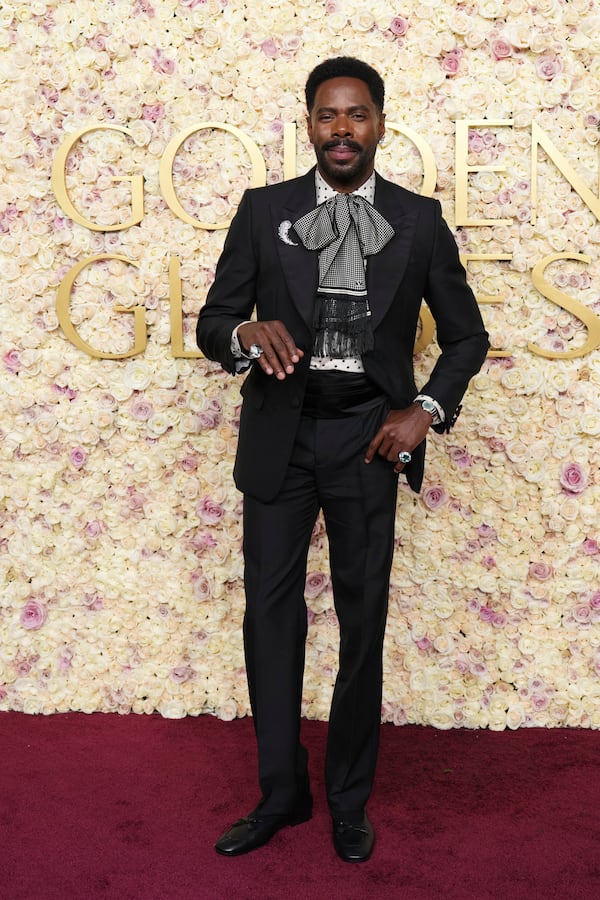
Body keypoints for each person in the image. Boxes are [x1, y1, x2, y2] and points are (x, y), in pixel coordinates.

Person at [196, 56, 489, 863]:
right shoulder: (263, 213)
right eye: (327, 116)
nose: (341, 129)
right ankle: (281, 793)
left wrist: (423, 409)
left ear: (381, 124)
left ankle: (349, 800)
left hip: (367, 437)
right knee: (271, 617)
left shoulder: (420, 220)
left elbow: (467, 337)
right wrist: (242, 335)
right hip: (281, 437)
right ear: (309, 124)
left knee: (362, 625)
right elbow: (214, 320)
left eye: (356, 115)